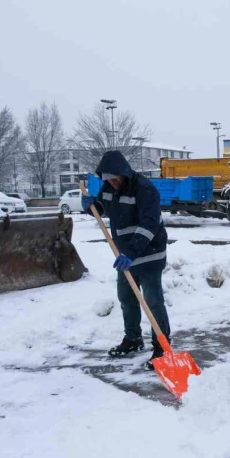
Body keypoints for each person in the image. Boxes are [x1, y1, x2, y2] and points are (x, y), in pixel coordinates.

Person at [81, 150, 170, 369]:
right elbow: (103, 207)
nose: (111, 182)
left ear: (124, 173)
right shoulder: (110, 186)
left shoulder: (144, 189)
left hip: (149, 253)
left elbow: (149, 224)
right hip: (125, 256)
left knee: (153, 302)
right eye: (107, 179)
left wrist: (131, 252)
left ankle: (162, 349)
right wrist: (92, 206)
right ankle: (133, 339)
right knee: (126, 298)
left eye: (114, 178)